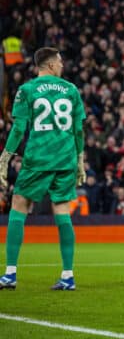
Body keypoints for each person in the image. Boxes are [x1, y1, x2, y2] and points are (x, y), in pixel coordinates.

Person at [0, 47, 86, 291]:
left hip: (38, 158)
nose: (62, 66)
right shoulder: (71, 90)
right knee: (62, 211)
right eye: (59, 62)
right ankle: (68, 275)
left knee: (19, 206)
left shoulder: (27, 90)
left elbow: (18, 129)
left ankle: (10, 274)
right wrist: (79, 160)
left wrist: (4, 158)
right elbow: (78, 130)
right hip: (66, 159)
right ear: (49, 65)